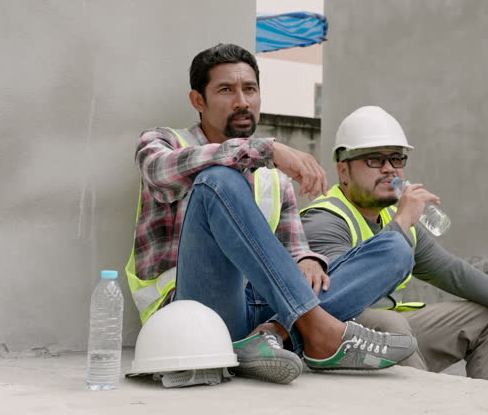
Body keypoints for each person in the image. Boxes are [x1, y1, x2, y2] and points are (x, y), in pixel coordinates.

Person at [127, 45, 417, 385]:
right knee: (218, 180)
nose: (242, 102)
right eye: (226, 90)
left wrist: (309, 259)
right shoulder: (163, 142)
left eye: (250, 89)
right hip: (195, 313)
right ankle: (318, 335)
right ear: (198, 100)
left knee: (395, 250)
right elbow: (160, 173)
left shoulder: (275, 178)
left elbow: (293, 249)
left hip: (266, 308)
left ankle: (272, 335)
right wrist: (267, 149)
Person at [300, 105, 488, 385]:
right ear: (343, 171)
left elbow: (453, 272)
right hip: (339, 345)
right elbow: (336, 298)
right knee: (392, 326)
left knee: (486, 320)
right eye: (374, 159)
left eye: (396, 158)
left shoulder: (391, 216)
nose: (389, 169)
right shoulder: (324, 219)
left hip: (394, 335)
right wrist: (400, 224)